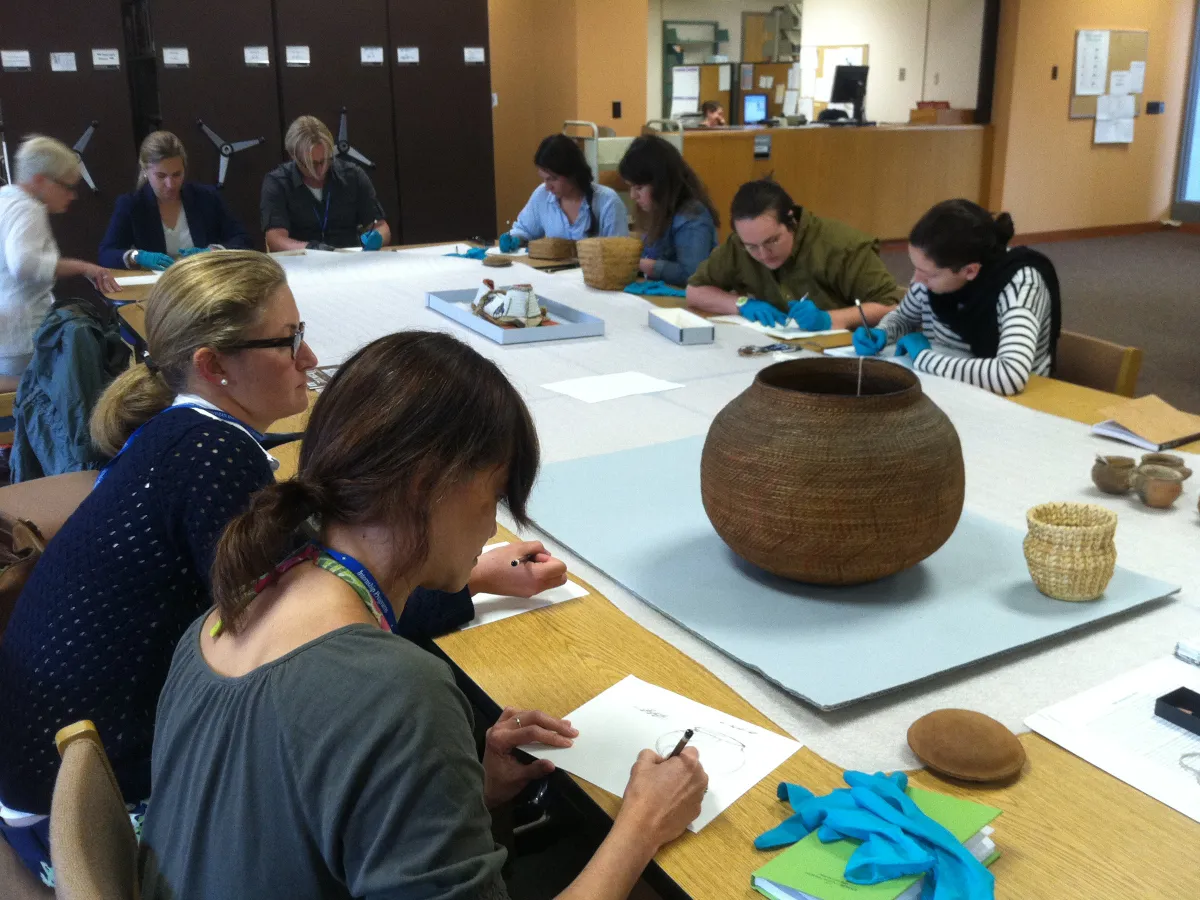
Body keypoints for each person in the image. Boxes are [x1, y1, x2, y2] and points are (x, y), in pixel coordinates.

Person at [0, 252, 564, 881]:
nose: (309, 357)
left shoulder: (186, 441)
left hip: (69, 774)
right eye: (287, 340)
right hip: (69, 803)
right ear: (213, 367)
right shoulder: (213, 460)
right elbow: (326, 627)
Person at [137, 330, 708, 900]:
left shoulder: (222, 619)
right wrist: (642, 825)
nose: (491, 527)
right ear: (426, 486)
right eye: (493, 497)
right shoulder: (397, 694)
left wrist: (465, 790)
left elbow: (286, 827)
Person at [853, 199, 1061, 397]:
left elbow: (1010, 375)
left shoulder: (1019, 285)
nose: (916, 280)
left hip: (1017, 404)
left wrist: (926, 358)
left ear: (969, 271)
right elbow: (904, 318)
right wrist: (882, 332)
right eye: (916, 268)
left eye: (928, 274)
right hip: (949, 386)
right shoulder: (933, 276)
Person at [686, 179, 900, 331]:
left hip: (845, 351)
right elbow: (695, 290)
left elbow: (892, 306)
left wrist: (829, 319)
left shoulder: (842, 246)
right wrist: (741, 304)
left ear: (792, 221)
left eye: (772, 241)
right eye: (751, 246)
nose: (763, 254)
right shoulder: (739, 245)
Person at [0, 135, 120, 389]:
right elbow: (23, 264)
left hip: (7, 333)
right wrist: (83, 267)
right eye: (66, 186)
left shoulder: (5, 199)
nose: (72, 195)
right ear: (40, 181)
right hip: (23, 332)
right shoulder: (28, 209)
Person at [98, 131, 251, 271]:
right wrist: (136, 256)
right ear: (145, 171)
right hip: (158, 288)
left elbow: (243, 240)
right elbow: (106, 254)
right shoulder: (131, 205)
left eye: (177, 174)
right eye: (161, 176)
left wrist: (213, 252)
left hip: (205, 280)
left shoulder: (207, 197)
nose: (170, 184)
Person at [261, 116, 390, 252]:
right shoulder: (277, 183)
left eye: (326, 160)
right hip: (302, 262)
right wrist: (311, 248)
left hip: (349, 259)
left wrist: (377, 238)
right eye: (312, 164)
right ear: (294, 156)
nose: (321, 170)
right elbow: (275, 240)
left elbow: (381, 227)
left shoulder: (353, 175)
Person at [498, 134, 629, 251]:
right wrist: (515, 239)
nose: (548, 187)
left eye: (553, 179)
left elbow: (619, 253)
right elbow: (525, 229)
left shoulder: (607, 202)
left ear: (572, 173)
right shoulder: (542, 195)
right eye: (544, 179)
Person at [618, 135, 718, 285]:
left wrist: (639, 264)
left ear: (662, 184)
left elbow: (692, 274)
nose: (633, 196)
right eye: (630, 187)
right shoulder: (659, 210)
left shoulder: (692, 216)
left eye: (639, 188)